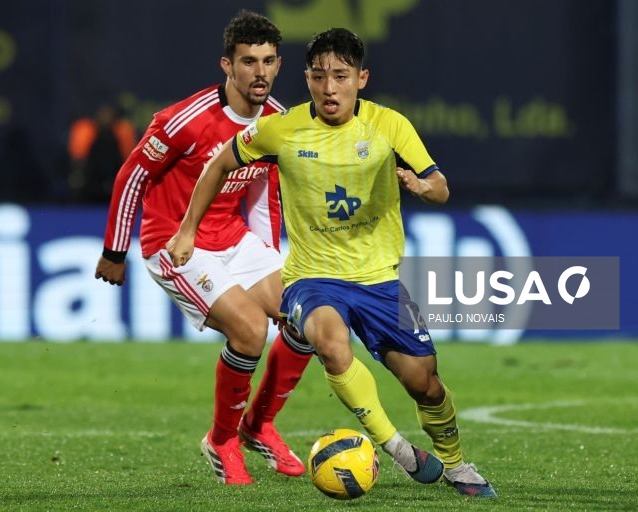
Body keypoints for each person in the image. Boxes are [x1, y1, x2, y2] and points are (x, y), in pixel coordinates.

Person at [167, 28, 497, 498]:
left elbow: (439, 183)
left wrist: (428, 189)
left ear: (361, 78)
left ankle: (457, 464)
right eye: (318, 76)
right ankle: (397, 447)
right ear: (305, 79)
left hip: (380, 280)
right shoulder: (281, 128)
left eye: (340, 76)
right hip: (312, 278)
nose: (329, 87)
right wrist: (187, 230)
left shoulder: (390, 125)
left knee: (426, 385)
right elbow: (219, 164)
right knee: (328, 339)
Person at [94, 10, 313, 485]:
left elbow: (262, 192)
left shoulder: (277, 120)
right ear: (227, 66)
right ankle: (221, 440)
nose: (260, 71)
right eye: (249, 61)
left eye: (269, 61)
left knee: (310, 317)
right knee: (252, 330)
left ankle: (259, 426)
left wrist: (271, 260)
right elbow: (133, 176)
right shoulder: (185, 121)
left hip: (233, 238)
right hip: (175, 244)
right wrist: (115, 251)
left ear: (279, 65)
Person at [68, 103, 137, 203]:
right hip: (89, 180)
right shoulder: (85, 129)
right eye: (103, 113)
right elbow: (78, 159)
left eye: (109, 113)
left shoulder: (123, 130)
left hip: (116, 179)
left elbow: (129, 161)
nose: (106, 117)